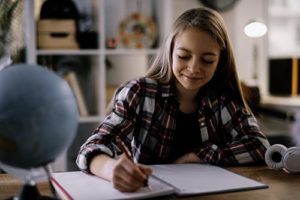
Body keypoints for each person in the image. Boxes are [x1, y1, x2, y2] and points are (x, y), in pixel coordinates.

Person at [76, 7, 270, 192]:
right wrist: (111, 169)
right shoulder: (140, 93)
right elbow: (91, 149)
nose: (193, 68)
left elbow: (260, 145)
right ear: (170, 52)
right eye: (184, 56)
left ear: (219, 62)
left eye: (207, 60)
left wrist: (198, 156)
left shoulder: (222, 100)